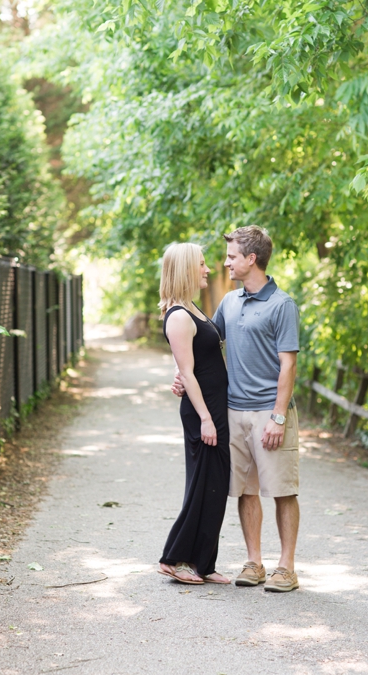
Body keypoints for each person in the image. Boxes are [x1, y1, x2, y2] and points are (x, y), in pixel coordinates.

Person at [175, 225, 301, 593]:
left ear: (251, 259)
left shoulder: (283, 305)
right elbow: (205, 344)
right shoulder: (230, 302)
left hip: (270, 413)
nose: (225, 263)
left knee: (282, 490)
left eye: (232, 256)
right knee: (245, 490)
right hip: (233, 412)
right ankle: (254, 561)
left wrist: (278, 416)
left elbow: (288, 364)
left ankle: (286, 567)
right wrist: (182, 374)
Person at [157, 243, 232, 585]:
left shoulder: (193, 309)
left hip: (214, 406)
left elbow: (191, 366)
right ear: (186, 269)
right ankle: (173, 558)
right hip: (202, 411)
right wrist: (204, 417)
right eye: (201, 265)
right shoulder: (178, 315)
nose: (207, 270)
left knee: (216, 483)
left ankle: (204, 562)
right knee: (202, 482)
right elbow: (187, 372)